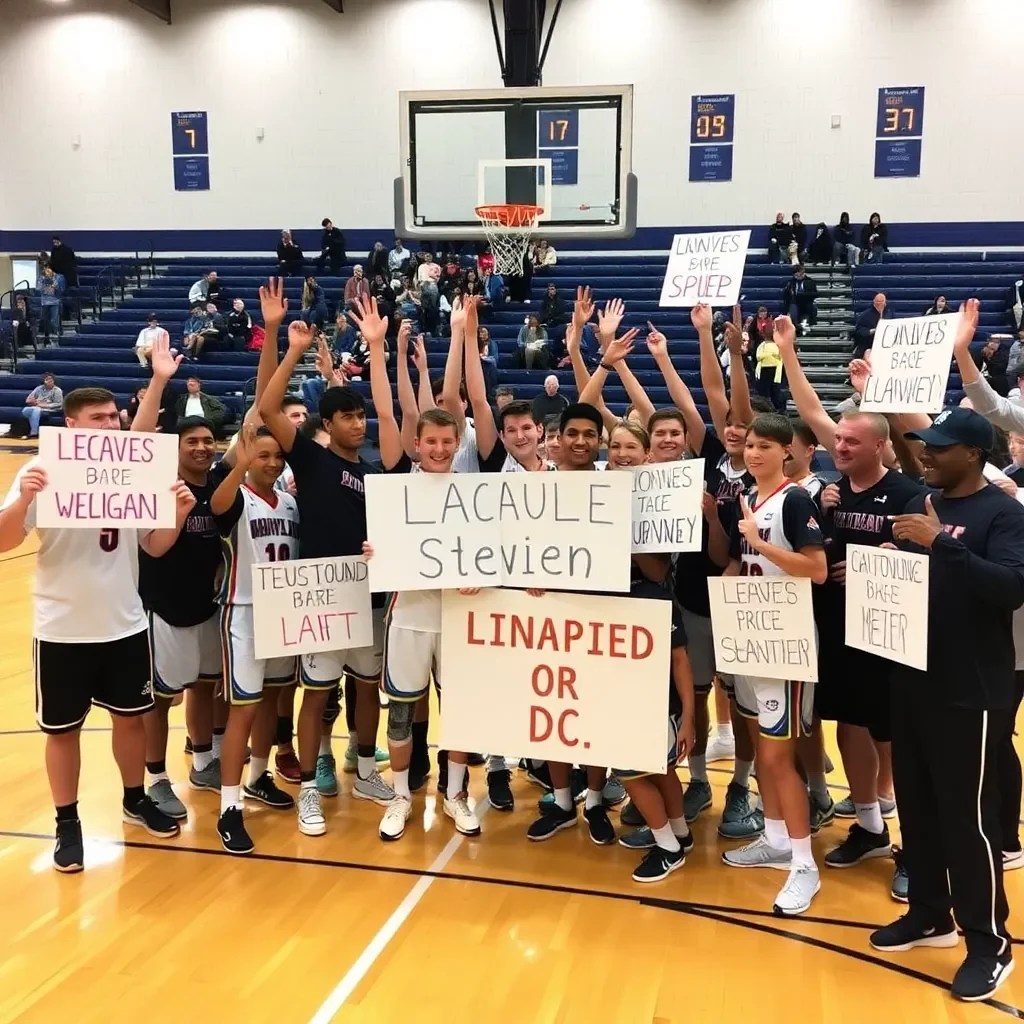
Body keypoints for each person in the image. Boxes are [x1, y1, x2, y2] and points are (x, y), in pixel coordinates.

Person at [0, 341, 193, 872]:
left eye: (115, 416)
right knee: (63, 732)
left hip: (123, 623)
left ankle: (134, 800)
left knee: (131, 723)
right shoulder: (40, 470)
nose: (111, 426)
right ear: (69, 423)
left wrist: (175, 514)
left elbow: (154, 546)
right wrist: (21, 499)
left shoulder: (131, 473)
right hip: (61, 627)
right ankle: (67, 822)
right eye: (99, 418)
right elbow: (2, 541)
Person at [868, 404, 1024, 1001]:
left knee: (970, 822)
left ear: (974, 455)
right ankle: (930, 913)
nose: (925, 455)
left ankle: (990, 944)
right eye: (924, 446)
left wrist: (941, 545)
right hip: (911, 679)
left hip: (970, 691)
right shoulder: (917, 508)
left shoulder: (1004, 514)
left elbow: (1011, 589)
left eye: (938, 448)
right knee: (919, 808)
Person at [775, 315, 924, 894]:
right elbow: (812, 413)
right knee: (851, 728)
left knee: (896, 739)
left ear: (881, 447)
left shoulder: (910, 493)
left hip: (889, 636)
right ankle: (866, 824)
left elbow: (931, 563)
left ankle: (915, 845)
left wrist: (883, 557)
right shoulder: (830, 496)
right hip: (838, 629)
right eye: (837, 440)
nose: (838, 446)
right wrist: (788, 353)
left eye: (851, 441)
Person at [258, 286, 394, 836]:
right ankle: (311, 788)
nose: (358, 424)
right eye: (347, 417)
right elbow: (267, 408)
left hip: (370, 590)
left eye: (361, 416)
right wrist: (288, 344)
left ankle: (364, 768)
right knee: (316, 694)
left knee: (368, 688)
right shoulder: (310, 459)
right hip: (321, 593)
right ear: (328, 423)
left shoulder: (377, 472)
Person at [364, 310, 486, 840]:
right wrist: (377, 348)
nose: (437, 449)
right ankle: (398, 797)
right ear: (418, 445)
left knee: (460, 712)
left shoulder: (472, 484)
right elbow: (389, 413)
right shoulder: (401, 474)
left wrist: (480, 573)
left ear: (456, 443)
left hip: (459, 612)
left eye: (446, 442)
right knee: (401, 715)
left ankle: (455, 793)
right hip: (409, 614)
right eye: (428, 442)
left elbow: (492, 548)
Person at [720, 413, 827, 916]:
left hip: (786, 644)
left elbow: (817, 569)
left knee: (781, 759)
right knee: (766, 754)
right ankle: (777, 837)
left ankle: (804, 867)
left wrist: (758, 544)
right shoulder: (751, 496)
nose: (755, 452)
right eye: (751, 445)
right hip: (752, 637)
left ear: (787, 451)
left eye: (766, 445)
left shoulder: (795, 499)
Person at [205, 423, 300, 855]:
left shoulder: (292, 504)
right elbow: (216, 503)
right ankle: (229, 808)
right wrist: (240, 462)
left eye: (277, 456)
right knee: (242, 708)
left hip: (283, 612)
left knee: (272, 701)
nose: (272, 462)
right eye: (263, 455)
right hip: (242, 611)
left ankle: (258, 776)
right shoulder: (236, 497)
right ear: (248, 457)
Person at [138, 416, 228, 818]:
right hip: (165, 605)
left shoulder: (220, 489)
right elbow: (152, 547)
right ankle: (156, 779)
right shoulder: (161, 489)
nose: (202, 447)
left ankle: (204, 762)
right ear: (175, 448)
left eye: (208, 441)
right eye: (192, 441)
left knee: (204, 687)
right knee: (159, 700)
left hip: (209, 605)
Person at [21, 372, 63, 437]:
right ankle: (30, 428)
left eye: (51, 379)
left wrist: (43, 405)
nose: (49, 381)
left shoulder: (57, 390)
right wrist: (34, 401)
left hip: (51, 409)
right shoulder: (39, 388)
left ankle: (34, 432)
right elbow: (28, 400)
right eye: (47, 379)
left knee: (36, 410)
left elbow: (59, 404)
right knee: (26, 410)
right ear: (43, 381)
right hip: (36, 406)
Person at [782, 265, 817, 335]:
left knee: (811, 307)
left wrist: (803, 294)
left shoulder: (810, 281)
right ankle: (798, 327)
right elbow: (786, 296)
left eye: (800, 274)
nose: (798, 276)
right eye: (796, 275)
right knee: (793, 308)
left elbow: (815, 294)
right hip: (794, 302)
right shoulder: (790, 283)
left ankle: (805, 325)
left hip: (807, 302)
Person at [853, 292, 887, 358]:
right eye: (878, 302)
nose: (880, 304)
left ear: (885, 303)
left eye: (881, 302)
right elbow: (859, 331)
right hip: (868, 345)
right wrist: (873, 331)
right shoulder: (865, 315)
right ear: (874, 302)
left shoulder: (888, 313)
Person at [37, 264, 64, 341]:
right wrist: (43, 283)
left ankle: (56, 333)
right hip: (44, 302)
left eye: (49, 269)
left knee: (53, 320)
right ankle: (46, 336)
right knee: (44, 320)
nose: (47, 271)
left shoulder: (58, 278)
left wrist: (56, 287)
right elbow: (38, 289)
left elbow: (61, 290)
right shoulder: (41, 278)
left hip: (55, 302)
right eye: (46, 270)